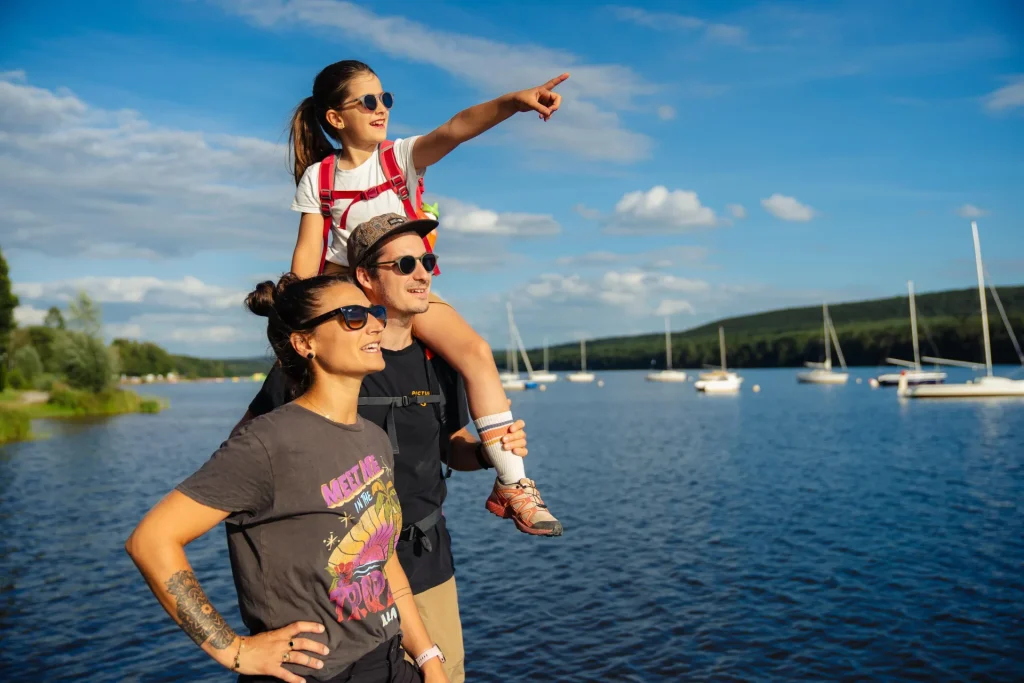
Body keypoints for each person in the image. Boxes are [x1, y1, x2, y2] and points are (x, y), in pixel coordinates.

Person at [244, 213, 557, 683]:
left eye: (427, 260)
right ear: (366, 278)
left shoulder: (438, 364)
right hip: (338, 576)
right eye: (406, 263)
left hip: (424, 560)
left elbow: (451, 446)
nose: (422, 272)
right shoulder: (326, 362)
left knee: (442, 674)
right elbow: (247, 454)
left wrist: (491, 453)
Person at [126, 274, 449, 683]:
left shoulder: (373, 438)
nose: (374, 323)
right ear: (305, 343)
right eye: (353, 316)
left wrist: (427, 657)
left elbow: (383, 559)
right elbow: (151, 540)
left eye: (375, 312)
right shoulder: (268, 441)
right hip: (317, 675)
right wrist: (234, 651)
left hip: (388, 661)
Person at [287, 59, 565, 535]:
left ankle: (512, 483)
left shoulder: (400, 158)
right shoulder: (321, 176)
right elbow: (308, 251)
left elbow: (456, 128)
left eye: (386, 99)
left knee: (475, 352)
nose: (381, 109)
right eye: (368, 101)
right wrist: (296, 311)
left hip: (406, 287)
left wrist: (513, 102)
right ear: (336, 117)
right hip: (350, 288)